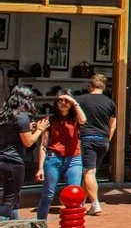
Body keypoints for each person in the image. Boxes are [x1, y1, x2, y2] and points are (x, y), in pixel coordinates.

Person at [36, 90, 87, 220]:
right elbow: (43, 144)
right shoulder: (50, 120)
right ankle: (40, 225)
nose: (63, 103)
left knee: (74, 194)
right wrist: (40, 167)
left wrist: (74, 102)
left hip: (74, 158)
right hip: (54, 158)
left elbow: (83, 120)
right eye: (60, 100)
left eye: (66, 100)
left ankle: (73, 226)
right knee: (48, 194)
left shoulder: (75, 119)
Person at [1, 86, 47, 219]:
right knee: (10, 199)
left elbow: (13, 133)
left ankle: (15, 224)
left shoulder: (3, 115)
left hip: (2, 158)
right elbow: (29, 142)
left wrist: (29, 128)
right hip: (13, 162)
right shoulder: (22, 117)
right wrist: (40, 129)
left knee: (13, 198)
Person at [78, 74, 117, 216]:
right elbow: (112, 125)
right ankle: (80, 202)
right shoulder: (110, 103)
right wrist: (108, 140)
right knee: (90, 173)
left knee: (89, 172)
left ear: (90, 86)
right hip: (103, 140)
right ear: (104, 87)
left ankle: (95, 204)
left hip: (87, 138)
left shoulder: (80, 100)